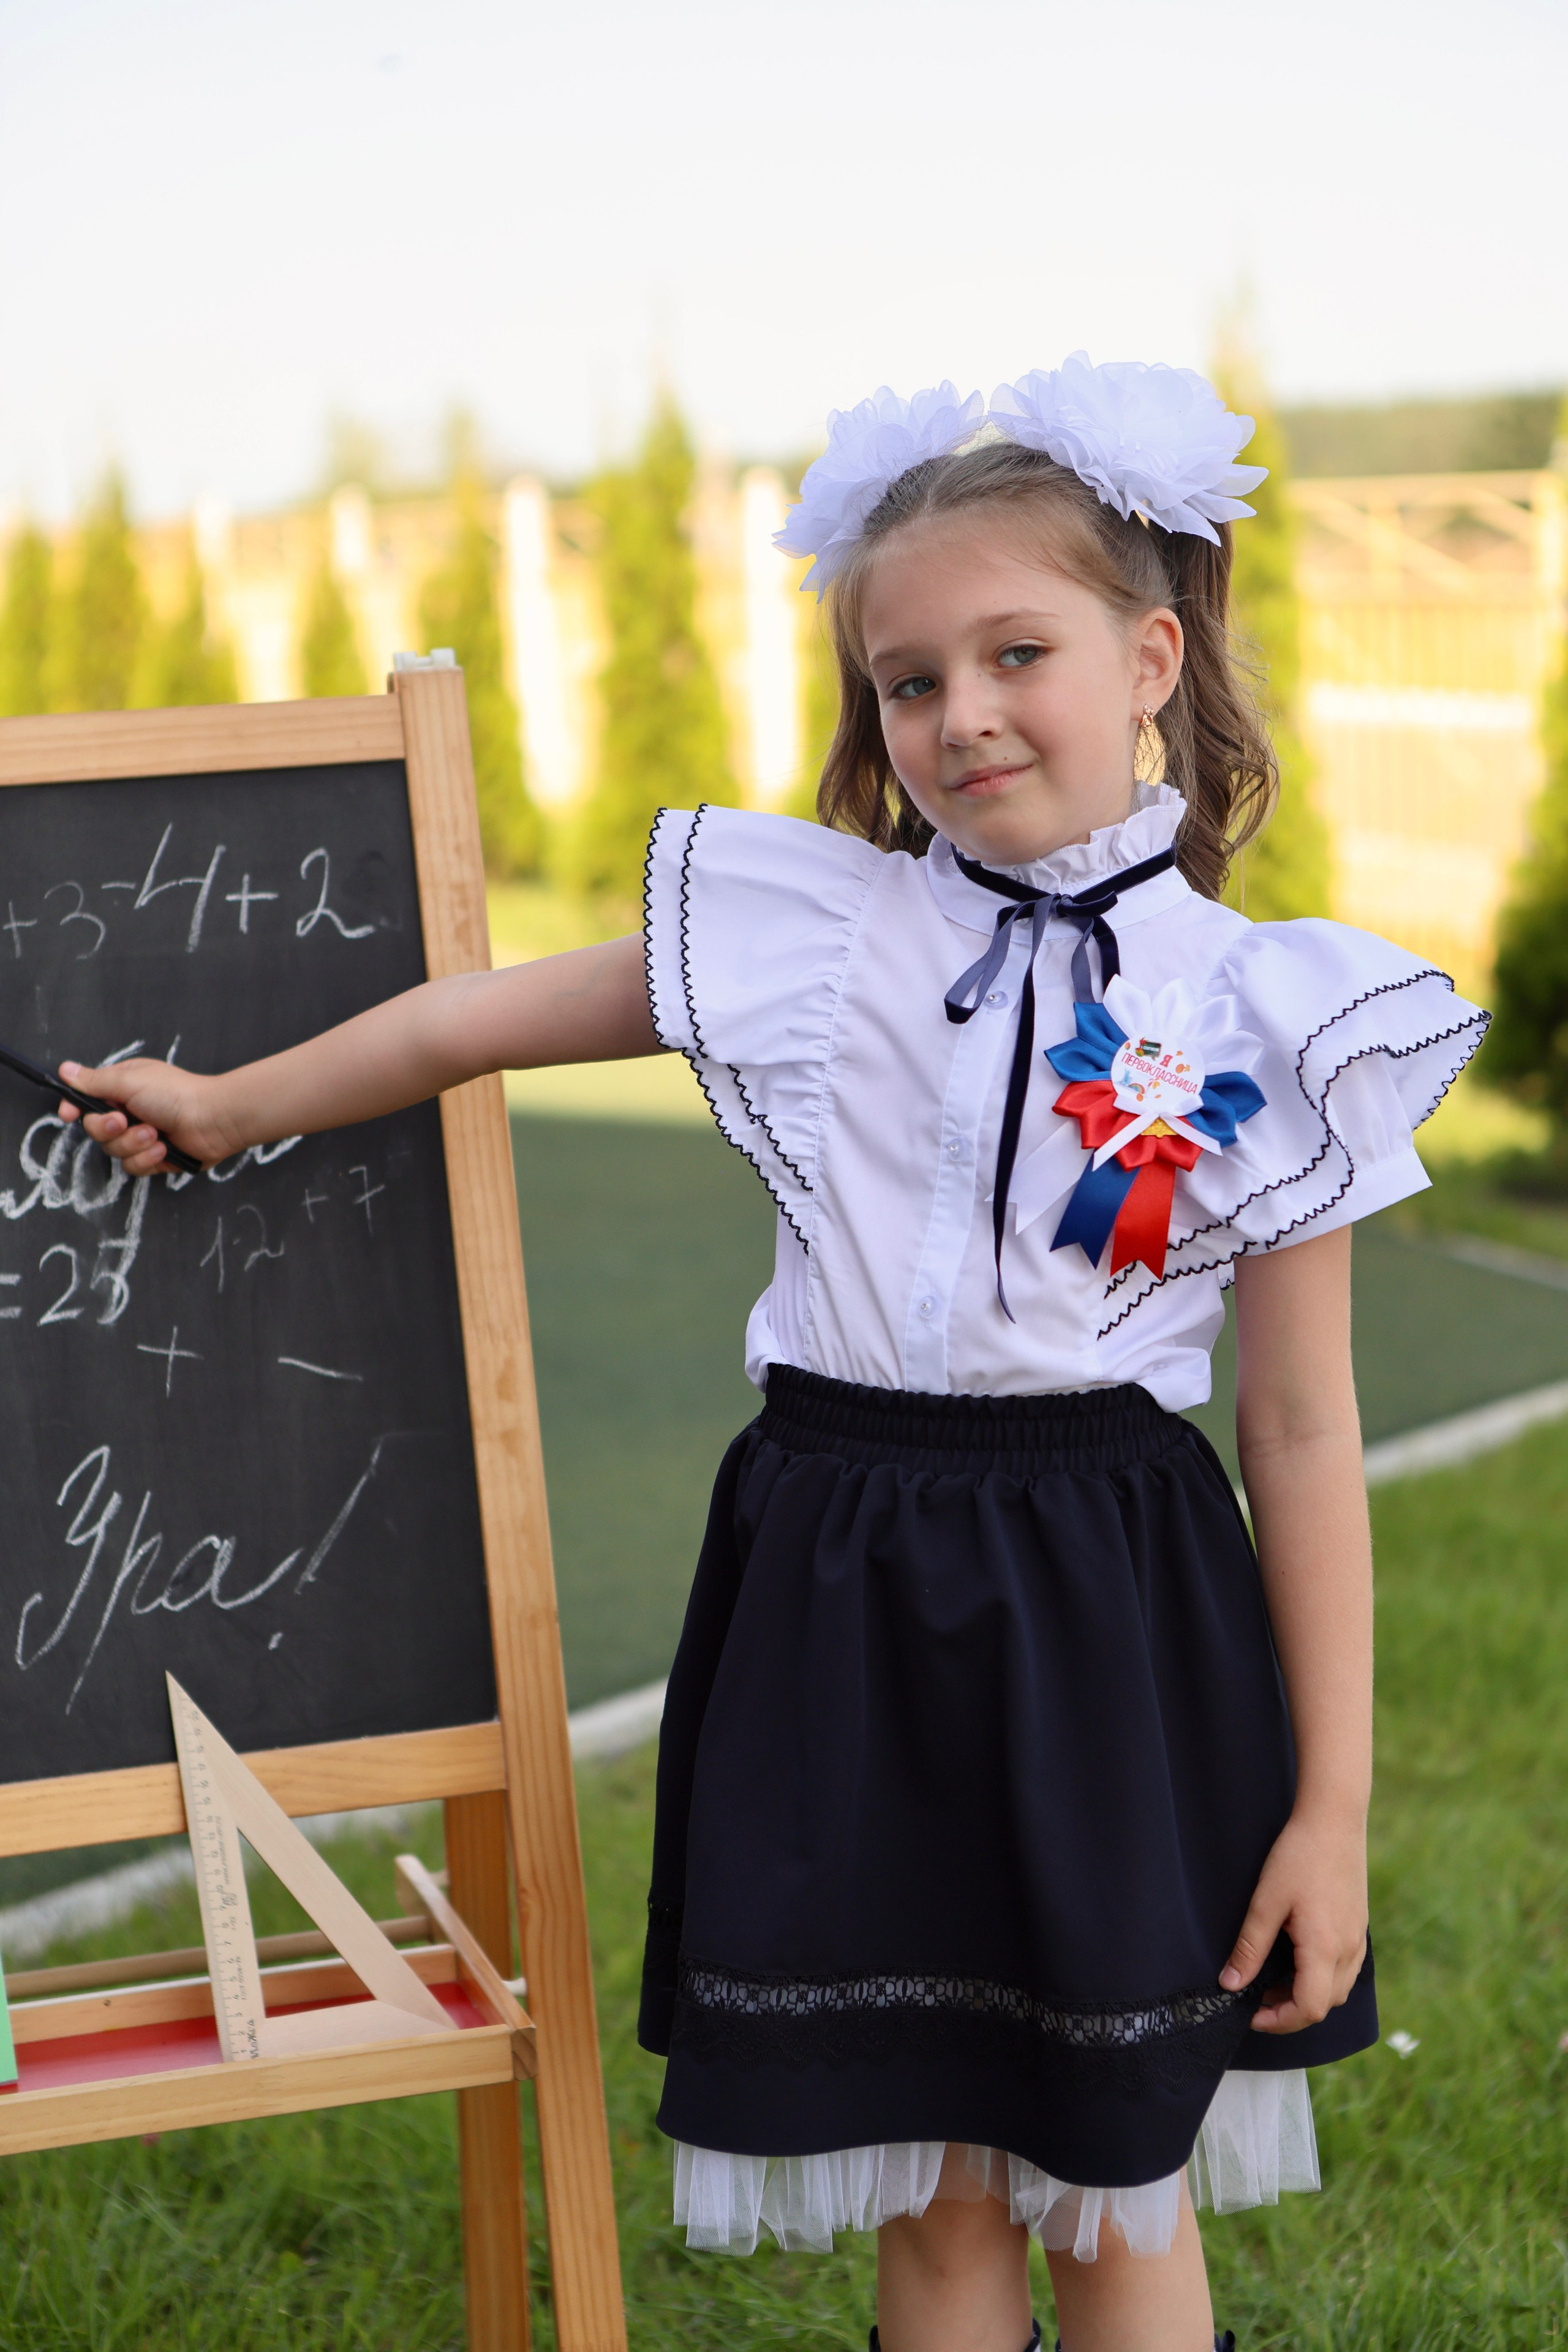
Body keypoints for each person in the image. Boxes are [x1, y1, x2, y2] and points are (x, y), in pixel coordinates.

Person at [65, 355, 1487, 2352]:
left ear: (1153, 651)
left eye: (1018, 652)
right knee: (933, 2196)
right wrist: (236, 1102)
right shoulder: (810, 937)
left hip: (1112, 1610)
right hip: (843, 1582)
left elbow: (1304, 1425)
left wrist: (1329, 1809)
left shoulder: (1270, 1010)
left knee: (1116, 2190)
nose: (963, 714)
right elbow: (476, 1019)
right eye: (909, 682)